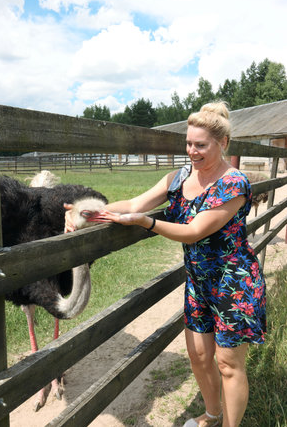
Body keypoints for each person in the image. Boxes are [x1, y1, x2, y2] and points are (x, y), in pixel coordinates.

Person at [64, 101, 266, 427]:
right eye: (189, 143)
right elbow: (133, 202)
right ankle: (212, 415)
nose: (192, 151)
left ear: (223, 143)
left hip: (234, 284)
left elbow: (194, 231)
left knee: (229, 364)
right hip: (199, 284)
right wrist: (88, 214)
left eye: (201, 145)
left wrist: (147, 223)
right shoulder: (177, 178)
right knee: (200, 358)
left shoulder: (234, 183)